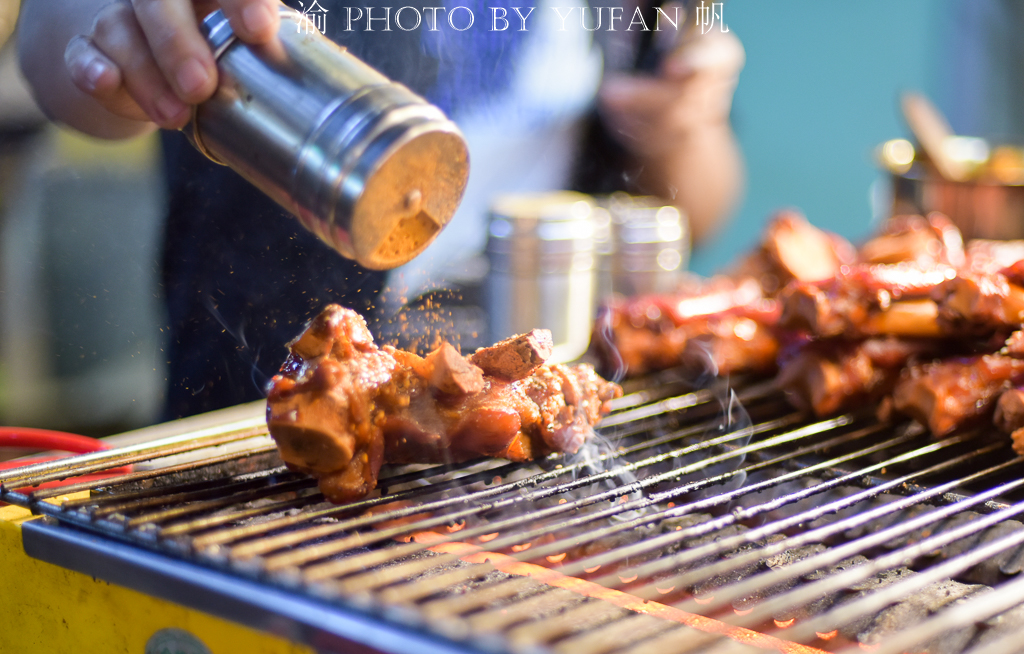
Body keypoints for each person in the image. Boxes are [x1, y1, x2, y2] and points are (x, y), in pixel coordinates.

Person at [16, 0, 744, 420]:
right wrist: (117, 33)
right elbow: (59, 37)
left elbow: (698, 207)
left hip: (547, 422)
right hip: (268, 436)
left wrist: (684, 128)